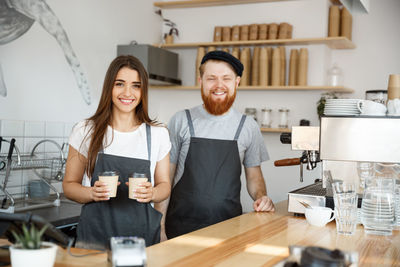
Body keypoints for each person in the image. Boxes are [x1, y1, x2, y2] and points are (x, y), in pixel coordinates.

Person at [158, 50, 275, 240]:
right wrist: (160, 228)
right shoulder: (181, 120)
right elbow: (165, 178)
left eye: (226, 78)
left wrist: (262, 197)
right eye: (211, 78)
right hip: (179, 228)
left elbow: (254, 177)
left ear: (236, 82)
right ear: (201, 81)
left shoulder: (248, 126)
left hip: (229, 228)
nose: (219, 85)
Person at [63, 55, 171, 250]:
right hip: (94, 240)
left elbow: (165, 186)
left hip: (143, 241)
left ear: (143, 91)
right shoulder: (86, 130)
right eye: (120, 84)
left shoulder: (158, 134)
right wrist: (91, 193)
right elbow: (69, 186)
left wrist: (152, 192)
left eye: (136, 86)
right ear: (109, 88)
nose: (127, 92)